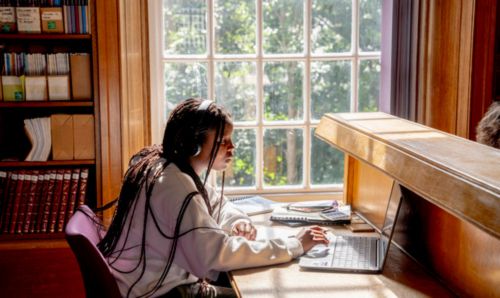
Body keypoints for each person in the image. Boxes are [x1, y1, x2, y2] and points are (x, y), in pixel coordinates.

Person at [98, 98, 329, 298]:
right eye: (222, 142)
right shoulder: (175, 185)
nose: (232, 147)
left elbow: (215, 202)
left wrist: (237, 221)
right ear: (193, 146)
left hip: (145, 284)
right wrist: (295, 245)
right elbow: (217, 255)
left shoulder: (166, 165)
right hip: (162, 293)